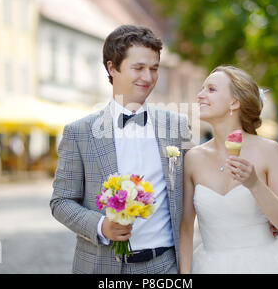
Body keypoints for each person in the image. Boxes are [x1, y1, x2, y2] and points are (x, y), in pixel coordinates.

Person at [50, 25, 192, 274]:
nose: (148, 78)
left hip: (165, 266)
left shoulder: (177, 127)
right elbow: (61, 201)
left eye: (154, 68)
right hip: (100, 267)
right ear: (112, 68)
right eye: (138, 68)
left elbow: (200, 183)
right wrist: (102, 225)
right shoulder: (79, 132)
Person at [179, 65, 278, 273]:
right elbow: (185, 229)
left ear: (234, 102)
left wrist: (255, 184)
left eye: (211, 89)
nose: (200, 95)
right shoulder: (193, 158)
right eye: (202, 89)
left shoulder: (270, 151)